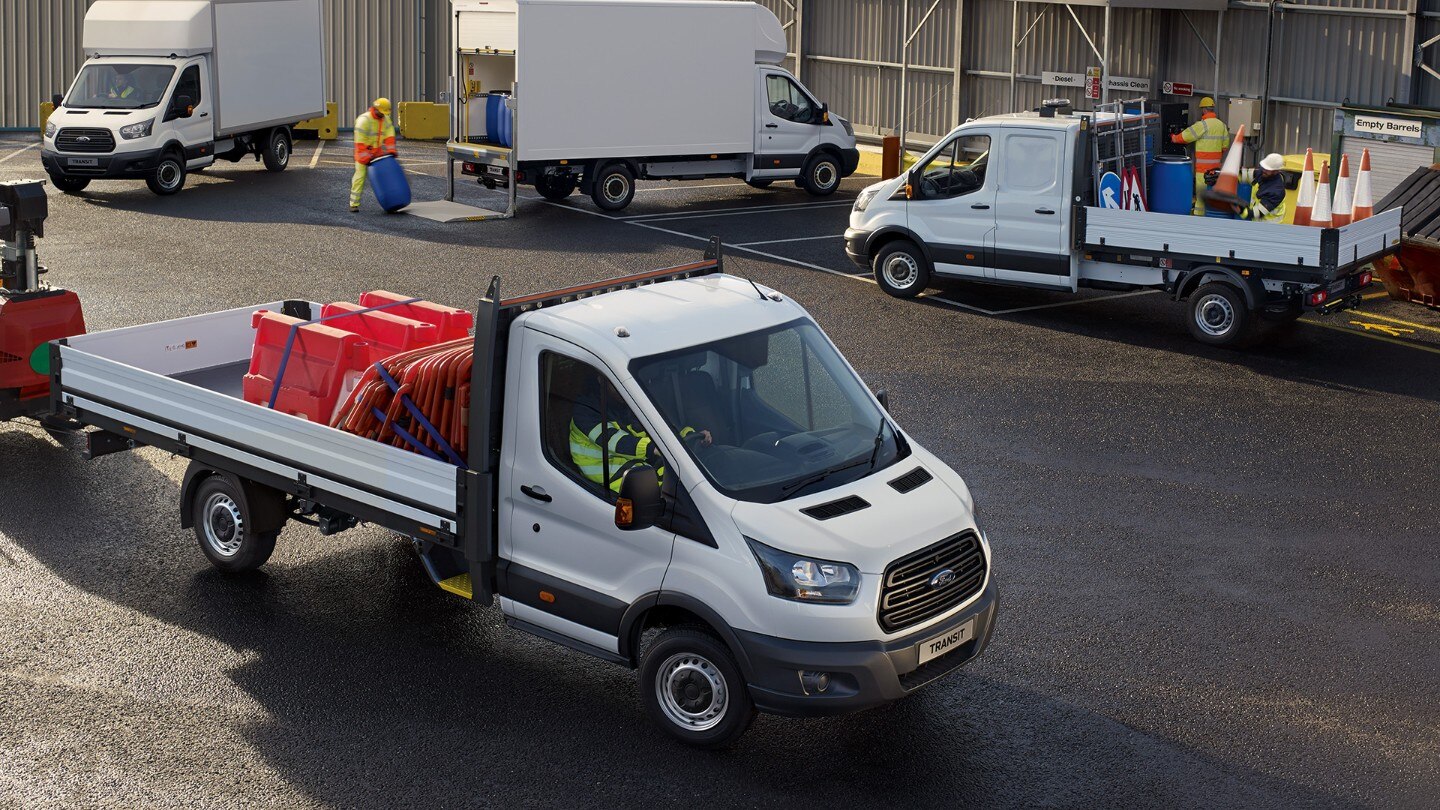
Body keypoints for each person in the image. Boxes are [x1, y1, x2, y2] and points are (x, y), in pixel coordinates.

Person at [569, 381, 709, 492]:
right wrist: (653, 448)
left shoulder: (625, 401)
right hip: (608, 475)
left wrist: (690, 436)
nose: (623, 388)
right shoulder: (585, 411)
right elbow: (615, 441)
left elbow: (659, 431)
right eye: (616, 383)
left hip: (637, 464)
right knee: (672, 493)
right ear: (601, 380)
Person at [350, 97, 397, 212]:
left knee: (385, 177)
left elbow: (390, 134)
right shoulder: (364, 120)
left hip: (377, 152)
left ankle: (392, 202)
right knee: (360, 177)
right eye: (381, 112)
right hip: (363, 153)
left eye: (384, 113)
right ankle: (354, 204)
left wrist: (391, 150)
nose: (383, 115)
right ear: (376, 109)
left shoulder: (385, 119)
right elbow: (359, 143)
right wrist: (366, 157)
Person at [1170, 97, 1229, 174]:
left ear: (1204, 110)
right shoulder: (1222, 125)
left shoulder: (1202, 125)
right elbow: (1225, 146)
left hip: (1203, 168)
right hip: (1215, 167)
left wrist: (1174, 138)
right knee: (1212, 185)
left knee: (1202, 185)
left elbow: (1186, 136)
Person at [1235, 153, 1287, 223]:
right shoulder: (1263, 173)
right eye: (1264, 168)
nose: (1264, 170)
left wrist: (1240, 210)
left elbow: (1258, 213)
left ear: (1276, 171)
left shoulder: (1276, 192)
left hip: (1270, 227)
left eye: (1268, 169)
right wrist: (1223, 176)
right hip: (1257, 222)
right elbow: (1243, 175)